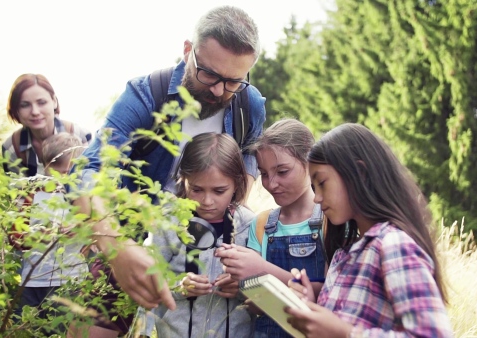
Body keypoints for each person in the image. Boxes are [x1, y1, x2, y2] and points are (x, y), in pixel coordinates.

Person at [73, 4, 266, 328]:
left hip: (207, 248)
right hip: (128, 237)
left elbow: (242, 176)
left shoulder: (250, 105)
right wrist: (113, 245)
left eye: (233, 81)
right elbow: (90, 169)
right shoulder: (147, 94)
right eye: (209, 75)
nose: (219, 91)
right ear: (188, 50)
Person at [284, 123, 454, 337]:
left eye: (322, 183)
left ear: (361, 173)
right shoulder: (342, 256)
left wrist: (344, 333)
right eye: (314, 189)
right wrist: (313, 306)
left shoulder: (393, 244)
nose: (317, 198)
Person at [216, 119, 327, 338]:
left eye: (282, 171)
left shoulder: (329, 220)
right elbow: (255, 307)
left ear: (309, 163)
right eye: (264, 174)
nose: (271, 184)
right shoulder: (260, 225)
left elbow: (333, 293)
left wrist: (261, 270)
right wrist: (241, 285)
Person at [146, 132, 255, 337]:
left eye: (219, 191)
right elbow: (147, 278)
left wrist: (242, 288)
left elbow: (264, 287)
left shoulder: (249, 226)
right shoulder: (167, 222)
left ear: (237, 183)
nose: (207, 201)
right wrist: (179, 285)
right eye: (196, 189)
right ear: (182, 180)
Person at [11, 132, 88, 335]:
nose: (64, 179)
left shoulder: (85, 194)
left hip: (70, 281)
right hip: (32, 280)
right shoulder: (32, 191)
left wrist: (80, 228)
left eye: (69, 172)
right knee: (26, 329)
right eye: (58, 172)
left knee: (63, 331)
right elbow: (15, 235)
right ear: (45, 165)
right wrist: (35, 236)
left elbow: (98, 228)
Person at [2, 73, 91, 177]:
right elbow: (17, 191)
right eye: (25, 105)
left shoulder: (80, 135)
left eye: (41, 102)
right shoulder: (12, 148)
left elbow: (92, 180)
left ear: (54, 101)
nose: (35, 112)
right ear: (16, 110)